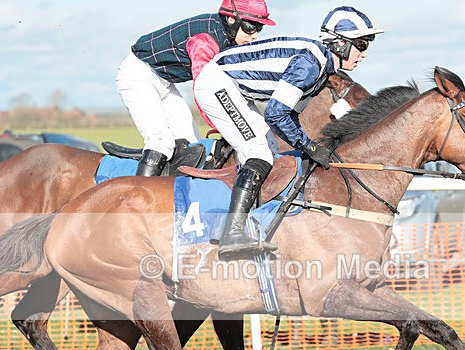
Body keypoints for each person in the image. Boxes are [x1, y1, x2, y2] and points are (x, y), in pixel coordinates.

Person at [193, 6, 383, 257]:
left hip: (235, 89)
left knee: (271, 151)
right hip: (216, 84)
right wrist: (310, 147)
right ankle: (232, 232)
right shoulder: (310, 65)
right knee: (258, 154)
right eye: (361, 44)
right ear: (339, 43)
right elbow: (275, 114)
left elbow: (290, 116)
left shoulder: (322, 68)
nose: (363, 54)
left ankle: (253, 221)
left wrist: (307, 146)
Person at [116, 1, 276, 176]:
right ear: (231, 20)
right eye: (250, 27)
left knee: (193, 144)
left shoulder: (227, 38)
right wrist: (224, 125)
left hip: (165, 83)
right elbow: (204, 91)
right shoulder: (205, 40)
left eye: (258, 28)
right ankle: (141, 193)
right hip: (137, 76)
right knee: (160, 143)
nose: (254, 36)